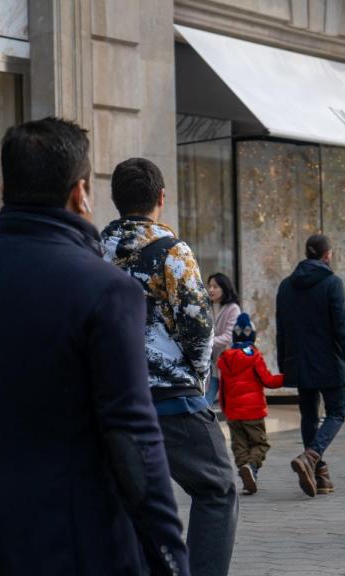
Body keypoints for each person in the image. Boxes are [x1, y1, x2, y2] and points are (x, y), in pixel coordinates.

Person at [0, 118, 189, 575]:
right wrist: (169, 555)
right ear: (81, 192)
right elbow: (131, 437)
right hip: (72, 540)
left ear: (5, 186)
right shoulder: (103, 289)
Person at [102, 157, 237, 575]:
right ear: (161, 197)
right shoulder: (172, 252)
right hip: (171, 400)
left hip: (111, 398)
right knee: (217, 487)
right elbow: (197, 329)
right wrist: (196, 382)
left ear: (115, 200)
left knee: (126, 501)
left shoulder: (92, 251)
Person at [276, 234, 345, 497]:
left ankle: (319, 474)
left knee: (309, 416)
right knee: (337, 413)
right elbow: (343, 330)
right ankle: (311, 457)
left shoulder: (285, 286)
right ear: (327, 255)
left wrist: (285, 366)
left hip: (300, 364)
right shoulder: (332, 283)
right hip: (330, 362)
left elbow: (281, 330)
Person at [217, 313, 285, 495]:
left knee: (239, 446)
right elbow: (267, 380)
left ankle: (246, 474)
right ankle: (251, 467)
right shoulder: (254, 356)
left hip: (233, 413)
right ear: (252, 336)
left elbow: (222, 388)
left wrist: (225, 410)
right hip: (253, 412)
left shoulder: (225, 358)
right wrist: (286, 378)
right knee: (260, 444)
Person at [207, 272, 241, 404]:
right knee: (206, 401)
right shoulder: (207, 308)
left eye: (215, 287)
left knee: (229, 402)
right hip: (211, 364)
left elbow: (228, 336)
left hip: (227, 363)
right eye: (209, 286)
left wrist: (206, 343)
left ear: (224, 288)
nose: (211, 290)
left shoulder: (233, 309)